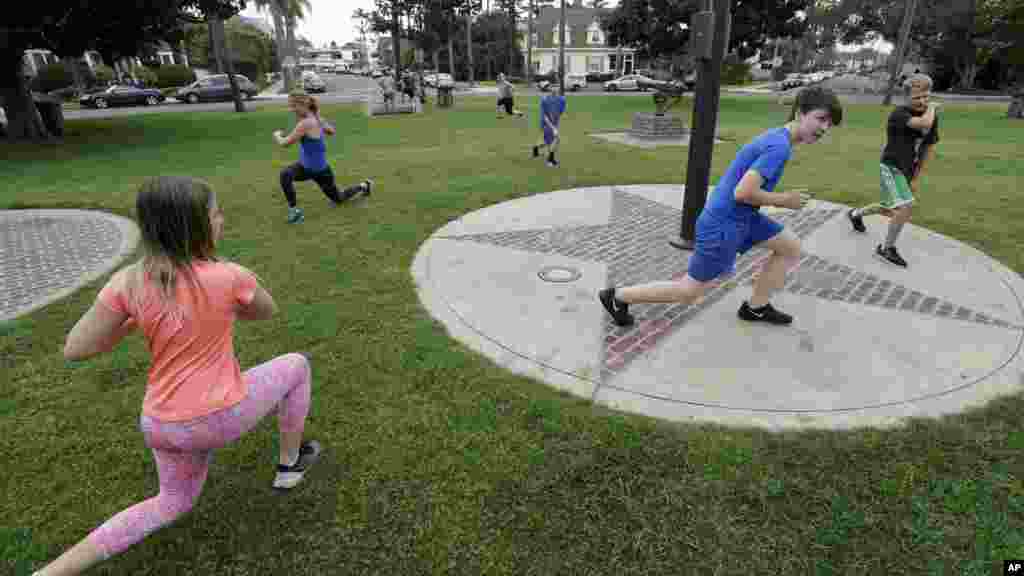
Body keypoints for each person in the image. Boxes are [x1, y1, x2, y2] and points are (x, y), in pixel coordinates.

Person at [32, 176, 321, 576]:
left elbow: (76, 348)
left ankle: (49, 572)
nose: (222, 220)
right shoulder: (229, 275)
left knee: (171, 503)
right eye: (216, 214)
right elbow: (266, 311)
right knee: (297, 366)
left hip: (160, 424)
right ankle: (290, 465)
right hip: (217, 417)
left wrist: (132, 322)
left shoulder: (129, 280)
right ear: (195, 226)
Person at [599, 86, 843, 327]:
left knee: (789, 246)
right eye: (820, 119)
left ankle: (756, 308)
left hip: (743, 217)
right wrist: (785, 200)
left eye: (829, 123)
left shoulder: (780, 137)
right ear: (800, 113)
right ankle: (618, 297)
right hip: (723, 223)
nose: (824, 128)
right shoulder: (779, 147)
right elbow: (743, 192)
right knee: (689, 291)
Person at [847, 73, 939, 268]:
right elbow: (923, 124)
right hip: (891, 166)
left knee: (892, 207)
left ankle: (856, 214)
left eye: (926, 97)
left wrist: (916, 177)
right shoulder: (900, 114)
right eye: (917, 98)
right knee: (906, 206)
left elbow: (928, 147)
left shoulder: (931, 116)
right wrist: (931, 108)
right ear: (906, 97)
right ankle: (886, 248)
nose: (923, 101)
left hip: (908, 168)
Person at [275, 92, 372, 224]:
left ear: (303, 105)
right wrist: (322, 126)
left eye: (293, 106)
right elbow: (332, 131)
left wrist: (277, 135)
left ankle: (364, 186)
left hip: (319, 171)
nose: (291, 110)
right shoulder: (316, 118)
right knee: (285, 174)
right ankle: (295, 212)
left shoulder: (305, 123)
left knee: (339, 198)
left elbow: (285, 143)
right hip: (307, 167)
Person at [532, 91, 566, 167]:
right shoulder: (544, 100)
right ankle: (550, 161)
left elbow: (560, 113)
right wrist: (553, 128)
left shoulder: (562, 100)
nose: (554, 89)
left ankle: (535, 148)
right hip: (546, 123)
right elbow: (544, 117)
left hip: (554, 123)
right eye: (552, 86)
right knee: (555, 140)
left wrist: (555, 125)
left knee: (547, 141)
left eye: (556, 86)